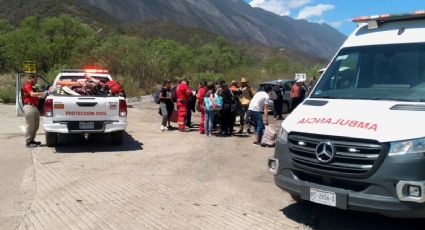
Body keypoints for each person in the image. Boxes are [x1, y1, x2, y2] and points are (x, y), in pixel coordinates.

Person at [22, 74, 46, 148]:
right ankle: (28, 142)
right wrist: (43, 93)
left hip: (34, 107)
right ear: (31, 78)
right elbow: (32, 94)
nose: (36, 81)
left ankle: (32, 140)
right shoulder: (27, 85)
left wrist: (39, 96)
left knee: (36, 125)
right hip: (29, 107)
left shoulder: (32, 86)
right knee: (30, 126)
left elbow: (33, 96)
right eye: (35, 79)